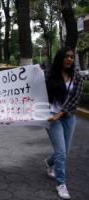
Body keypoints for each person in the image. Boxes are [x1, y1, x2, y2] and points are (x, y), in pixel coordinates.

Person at [45, 47, 84, 199]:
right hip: (51, 117)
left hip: (68, 116)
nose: (69, 59)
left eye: (71, 57)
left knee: (65, 151)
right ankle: (61, 184)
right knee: (61, 152)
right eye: (66, 56)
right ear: (60, 58)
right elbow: (37, 90)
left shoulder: (77, 76)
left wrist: (61, 113)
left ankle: (49, 163)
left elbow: (75, 99)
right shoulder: (49, 75)